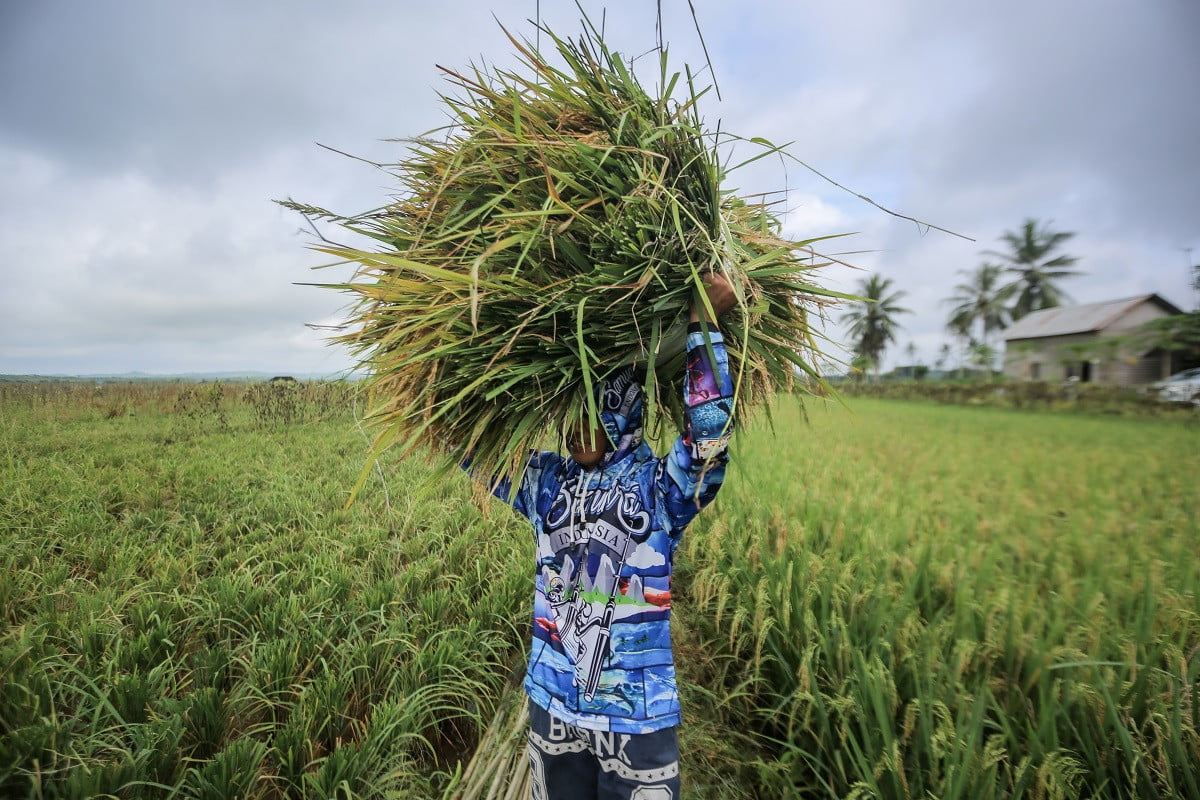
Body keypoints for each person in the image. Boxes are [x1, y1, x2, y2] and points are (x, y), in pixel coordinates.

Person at [486, 274, 738, 799]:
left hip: (636, 720)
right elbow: (472, 448)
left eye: (590, 411)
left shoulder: (659, 488)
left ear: (619, 408)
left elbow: (708, 439)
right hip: (552, 705)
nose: (575, 429)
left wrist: (704, 327)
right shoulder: (546, 483)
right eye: (567, 414)